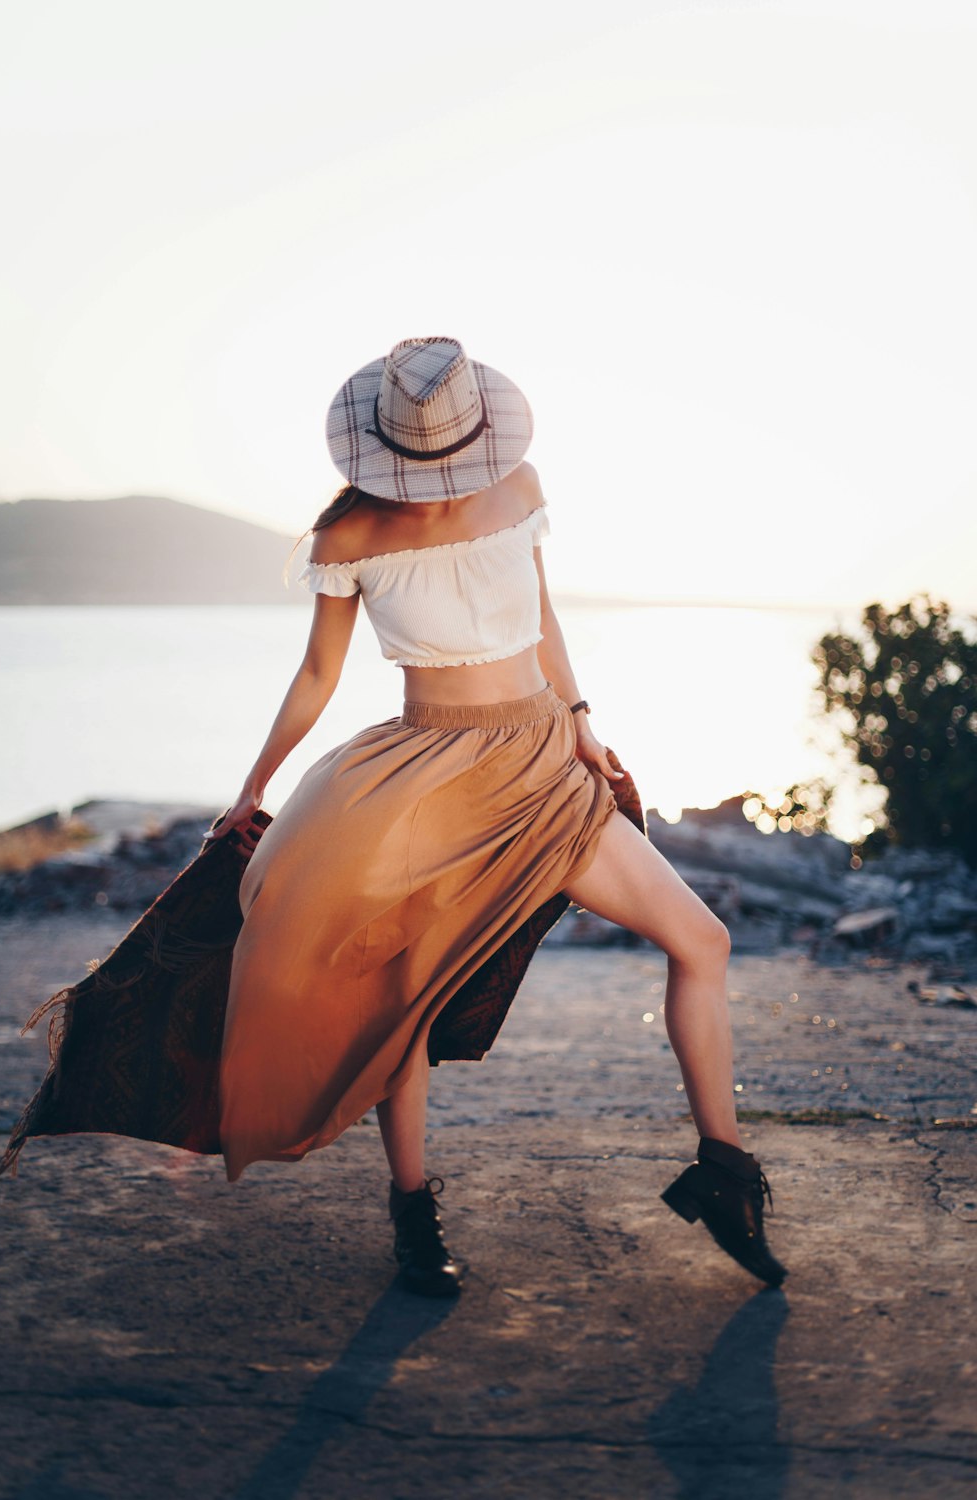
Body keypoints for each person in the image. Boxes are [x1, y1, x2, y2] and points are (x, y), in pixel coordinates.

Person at [207, 336, 787, 1297]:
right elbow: (318, 675)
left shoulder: (518, 489)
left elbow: (545, 620)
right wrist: (253, 786)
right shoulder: (348, 540)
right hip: (425, 779)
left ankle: (723, 1173)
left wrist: (583, 721)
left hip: (543, 762)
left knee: (703, 940)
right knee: (407, 1005)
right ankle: (411, 1213)